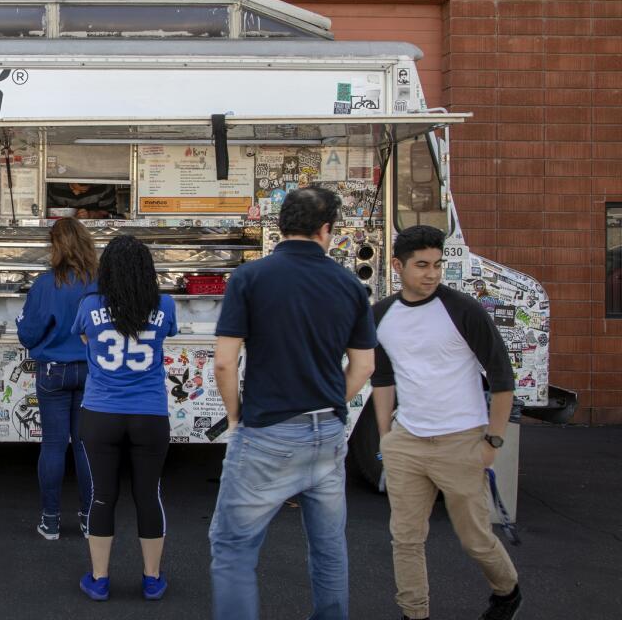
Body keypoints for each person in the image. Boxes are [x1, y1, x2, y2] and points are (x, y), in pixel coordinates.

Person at [210, 186, 376, 620]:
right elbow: (363, 367)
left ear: (279, 225)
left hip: (267, 432)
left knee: (233, 548)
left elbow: (225, 364)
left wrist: (234, 418)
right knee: (329, 550)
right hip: (328, 433)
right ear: (327, 230)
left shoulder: (250, 278)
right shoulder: (350, 286)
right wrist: (328, 402)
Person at [372, 225, 522, 620]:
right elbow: (382, 379)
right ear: (397, 266)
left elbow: (503, 378)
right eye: (422, 265)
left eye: (437, 265)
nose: (432, 274)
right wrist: (386, 437)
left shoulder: (463, 310)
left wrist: (493, 441)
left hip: (462, 441)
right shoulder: (381, 316)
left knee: (475, 540)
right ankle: (413, 612)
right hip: (407, 442)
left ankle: (507, 591)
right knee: (405, 538)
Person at [72, 235, 177, 602]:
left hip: (101, 412)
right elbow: (166, 335)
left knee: (102, 496)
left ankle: (99, 579)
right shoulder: (166, 304)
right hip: (150, 413)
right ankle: (152, 578)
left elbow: (87, 339)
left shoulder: (88, 304)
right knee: (149, 496)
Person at [15, 217, 98, 541]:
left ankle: (50, 522)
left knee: (52, 446)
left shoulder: (46, 283)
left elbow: (28, 333)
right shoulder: (100, 282)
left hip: (53, 372)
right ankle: (90, 519)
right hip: (92, 372)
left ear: (56, 246)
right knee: (85, 447)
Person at [47, 182, 119, 218]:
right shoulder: (54, 186)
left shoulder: (103, 187)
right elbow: (46, 211)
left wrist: (91, 214)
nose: (76, 193)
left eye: (83, 191)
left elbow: (110, 214)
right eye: (72, 188)